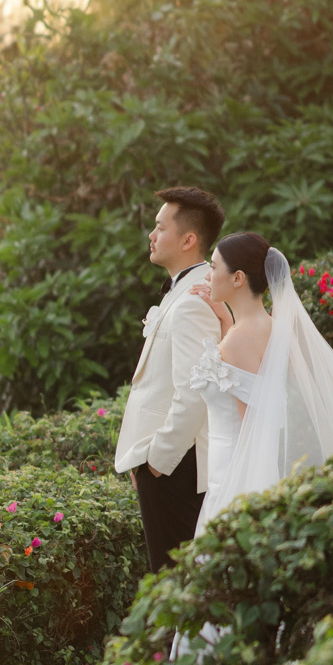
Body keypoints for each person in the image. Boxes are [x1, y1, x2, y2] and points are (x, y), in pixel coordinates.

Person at [188, 232, 333, 533]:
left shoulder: (237, 340)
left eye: (213, 266)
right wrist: (225, 319)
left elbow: (252, 421)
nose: (208, 275)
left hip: (236, 474)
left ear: (237, 278)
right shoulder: (272, 327)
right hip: (255, 467)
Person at [113, 185, 224, 571]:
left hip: (178, 469)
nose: (151, 234)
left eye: (160, 227)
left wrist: (157, 460)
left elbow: (196, 392)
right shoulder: (188, 290)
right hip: (168, 466)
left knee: (173, 579)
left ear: (188, 239)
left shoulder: (195, 300)